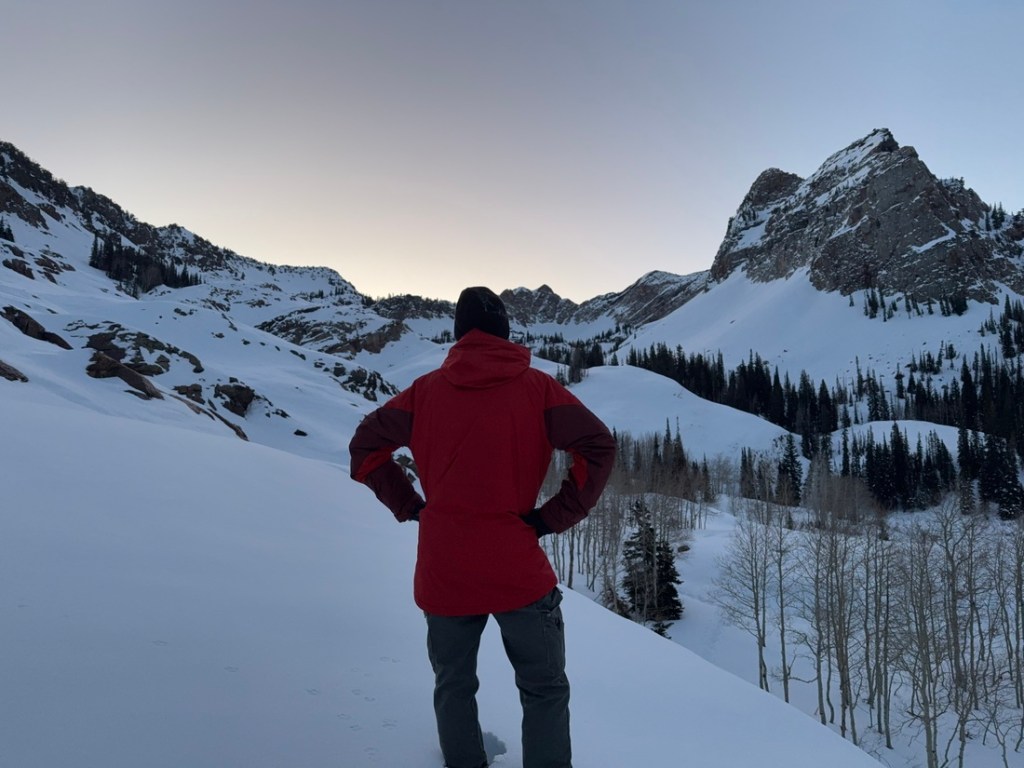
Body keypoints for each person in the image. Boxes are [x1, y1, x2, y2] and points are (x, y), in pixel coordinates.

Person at [349, 286, 615, 768]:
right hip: (517, 568)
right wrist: (552, 517)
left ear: (458, 335)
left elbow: (365, 447)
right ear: (505, 333)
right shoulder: (538, 389)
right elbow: (598, 447)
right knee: (545, 689)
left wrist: (411, 506)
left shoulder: (424, 392)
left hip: (444, 569)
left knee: (453, 686)